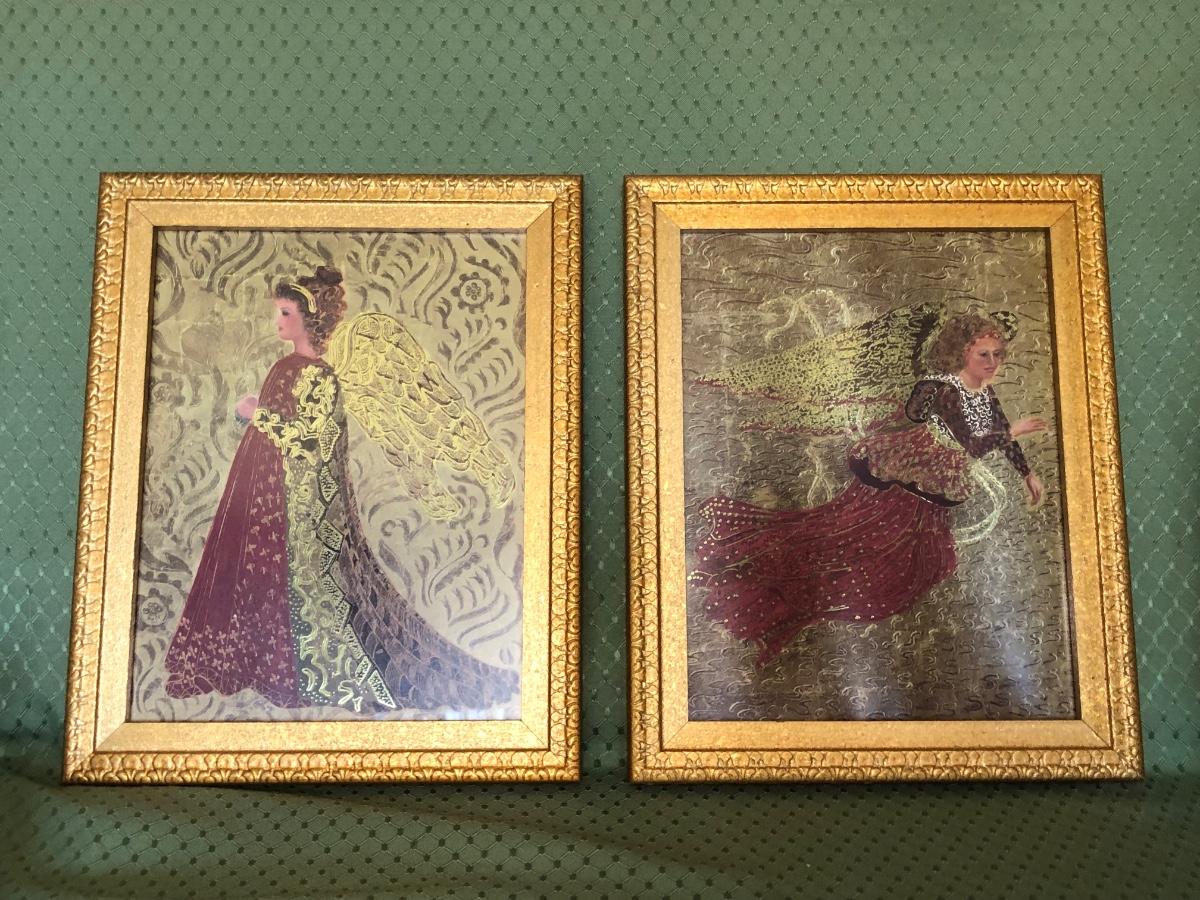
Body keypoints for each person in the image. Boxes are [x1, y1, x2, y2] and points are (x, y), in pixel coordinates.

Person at [164, 265, 518, 714]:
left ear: (308, 318)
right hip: (263, 490)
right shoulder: (285, 367)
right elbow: (274, 432)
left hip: (299, 500)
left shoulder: (321, 376)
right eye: (279, 311)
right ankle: (253, 665)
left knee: (301, 586)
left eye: (285, 312)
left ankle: (302, 672)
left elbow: (312, 444)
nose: (277, 321)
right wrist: (250, 416)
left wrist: (258, 414)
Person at [690, 311, 1047, 665]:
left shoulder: (985, 393)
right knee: (856, 540)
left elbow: (998, 435)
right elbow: (974, 444)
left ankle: (795, 598)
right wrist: (1012, 431)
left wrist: (1027, 473)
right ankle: (757, 585)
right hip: (911, 472)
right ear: (962, 352)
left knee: (923, 561)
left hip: (941, 480)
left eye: (997, 354)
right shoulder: (945, 389)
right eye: (983, 354)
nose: (992, 362)